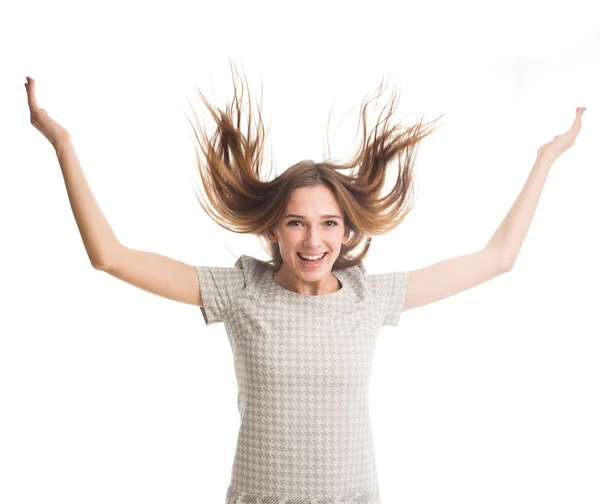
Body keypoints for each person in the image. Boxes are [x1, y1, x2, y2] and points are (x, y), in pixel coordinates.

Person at [24, 64, 585, 504]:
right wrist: (63, 145)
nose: (313, 241)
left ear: (345, 231)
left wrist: (546, 159)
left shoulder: (371, 297)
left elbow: (497, 258)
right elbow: (110, 257)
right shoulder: (240, 291)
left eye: (328, 223)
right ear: (274, 227)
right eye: (297, 221)